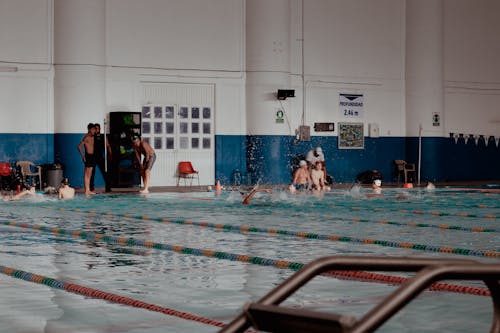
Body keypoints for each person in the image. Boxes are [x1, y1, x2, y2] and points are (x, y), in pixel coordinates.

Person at [90, 123, 112, 193]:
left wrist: (110, 154)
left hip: (100, 157)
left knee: (105, 172)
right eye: (95, 128)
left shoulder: (103, 137)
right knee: (92, 173)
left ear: (100, 129)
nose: (96, 130)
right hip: (93, 157)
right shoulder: (92, 137)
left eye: (97, 128)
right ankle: (91, 188)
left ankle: (108, 187)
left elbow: (108, 146)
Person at [77, 123, 97, 195]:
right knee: (87, 174)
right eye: (93, 129)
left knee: (90, 174)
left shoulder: (93, 137)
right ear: (89, 129)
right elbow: (79, 147)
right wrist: (83, 157)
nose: (94, 131)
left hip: (92, 156)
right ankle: (86, 190)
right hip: (88, 156)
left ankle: (88, 190)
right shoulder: (86, 137)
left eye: (94, 129)